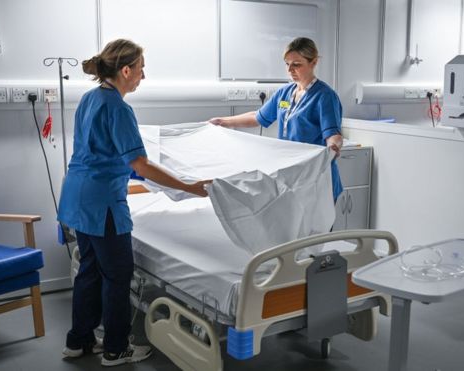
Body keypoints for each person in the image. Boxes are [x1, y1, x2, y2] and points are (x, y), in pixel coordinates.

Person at [58, 39, 211, 367]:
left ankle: (79, 341)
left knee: (89, 271)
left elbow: (102, 152)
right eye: (141, 68)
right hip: (102, 205)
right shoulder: (118, 108)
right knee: (117, 276)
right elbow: (139, 164)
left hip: (77, 196)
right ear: (126, 70)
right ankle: (115, 348)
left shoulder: (89, 99)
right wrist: (188, 187)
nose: (143, 75)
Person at [209, 37, 344, 202]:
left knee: (317, 228)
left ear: (313, 62)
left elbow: (333, 134)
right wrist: (222, 121)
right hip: (291, 175)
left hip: (316, 177)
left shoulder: (324, 96)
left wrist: (333, 147)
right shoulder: (285, 93)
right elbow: (258, 117)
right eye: (287, 64)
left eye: (296, 64)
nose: (290, 70)